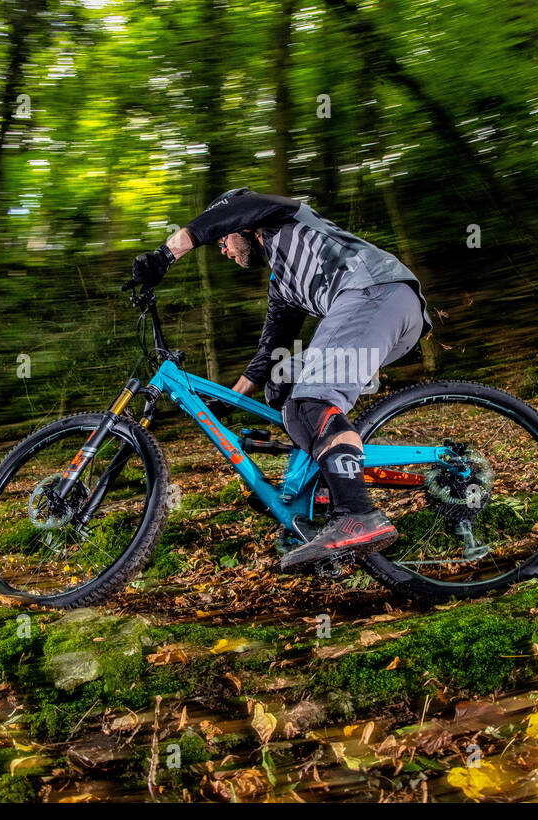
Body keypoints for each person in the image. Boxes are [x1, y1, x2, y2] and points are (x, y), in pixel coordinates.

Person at [131, 187, 433, 572]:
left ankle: (357, 515)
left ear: (241, 224)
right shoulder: (283, 282)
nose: (223, 249)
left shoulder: (277, 217)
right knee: (282, 380)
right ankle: (316, 496)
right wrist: (227, 399)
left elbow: (222, 217)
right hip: (383, 310)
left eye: (223, 240)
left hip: (372, 293)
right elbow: (265, 355)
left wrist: (165, 255)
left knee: (312, 402)